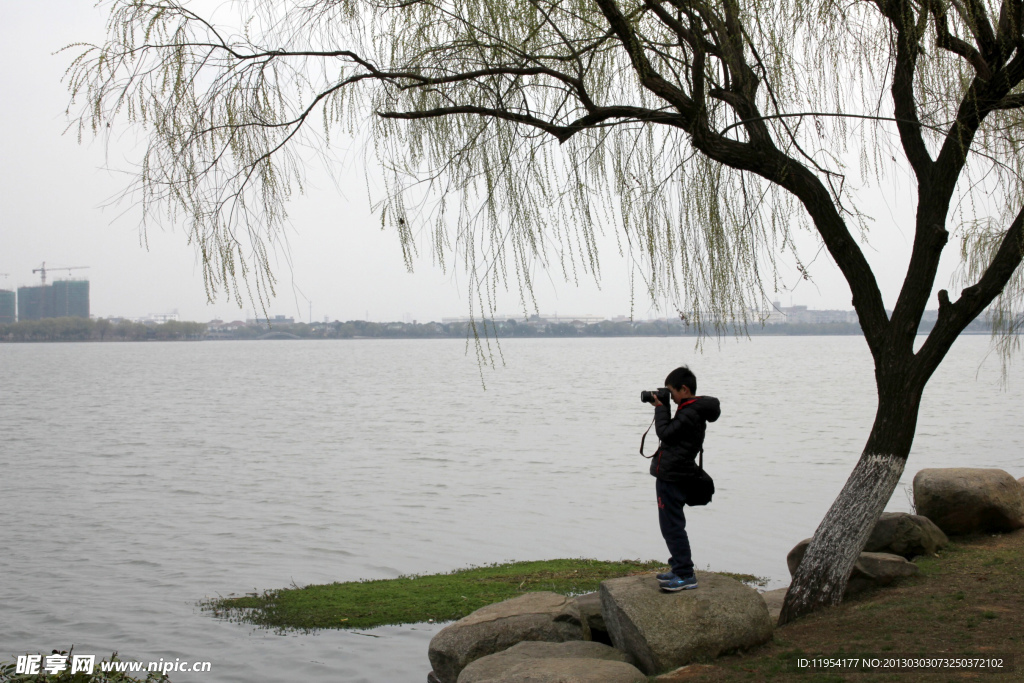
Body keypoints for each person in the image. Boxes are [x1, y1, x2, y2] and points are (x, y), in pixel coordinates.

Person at [649, 366, 720, 592]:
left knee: (672, 526)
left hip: (674, 477)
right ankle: (678, 566)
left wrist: (660, 408)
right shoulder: (690, 409)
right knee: (670, 524)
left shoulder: (690, 412)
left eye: (671, 391)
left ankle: (685, 574)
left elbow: (665, 433)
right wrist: (666, 407)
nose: (669, 396)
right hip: (673, 474)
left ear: (684, 389)